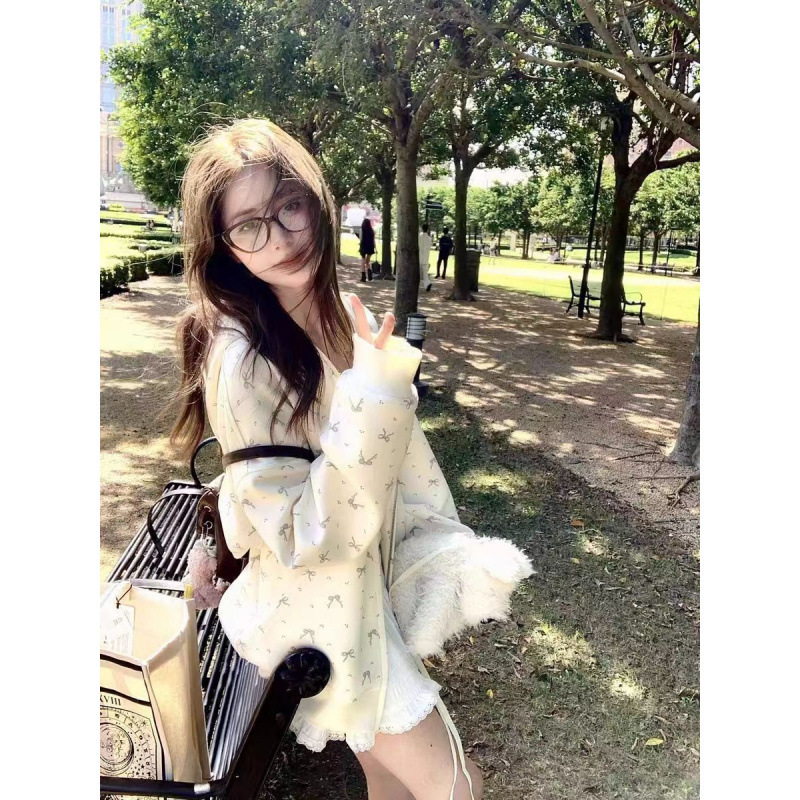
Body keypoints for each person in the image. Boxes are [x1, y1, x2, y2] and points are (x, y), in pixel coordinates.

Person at [168, 119, 533, 800]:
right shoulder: (242, 358)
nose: (281, 237)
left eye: (290, 206)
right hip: (318, 621)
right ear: (225, 249)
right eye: (249, 226)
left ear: (316, 201)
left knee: (388, 778)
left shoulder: (326, 315)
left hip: (353, 603)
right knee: (457, 787)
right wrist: (377, 390)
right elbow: (307, 529)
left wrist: (376, 383)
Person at [360, 217, 376, 282]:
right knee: (367, 261)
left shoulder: (362, 230)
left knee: (363, 260)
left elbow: (361, 238)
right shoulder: (372, 231)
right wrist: (375, 248)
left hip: (363, 246)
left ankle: (363, 277)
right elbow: (373, 240)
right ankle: (370, 276)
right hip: (370, 247)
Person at [419, 223, 433, 292]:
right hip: (425, 257)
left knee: (417, 272)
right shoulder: (429, 238)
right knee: (425, 273)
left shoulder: (419, 236)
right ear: (427, 230)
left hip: (418, 257)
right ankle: (427, 284)